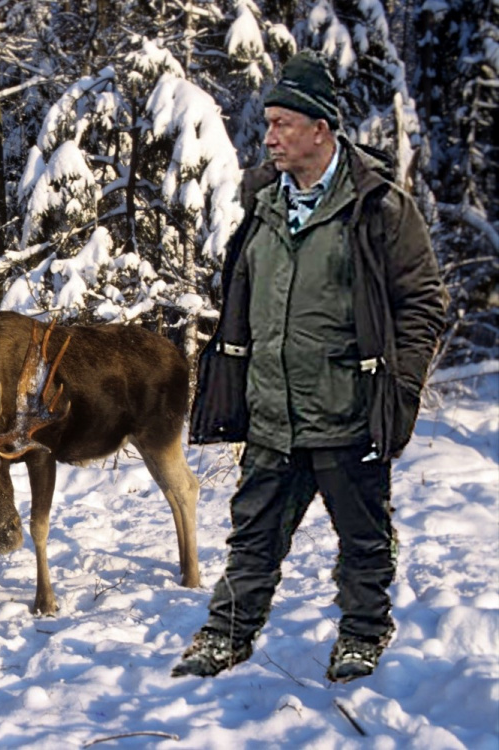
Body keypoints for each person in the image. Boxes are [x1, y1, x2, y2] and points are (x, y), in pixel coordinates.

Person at [175, 50, 447, 683]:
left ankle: (361, 635)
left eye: (282, 124)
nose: (268, 136)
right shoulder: (262, 203)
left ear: (320, 129)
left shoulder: (378, 205)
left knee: (363, 541)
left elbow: (424, 302)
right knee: (253, 537)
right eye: (267, 123)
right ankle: (226, 634)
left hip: (348, 411)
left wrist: (399, 388)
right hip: (273, 410)